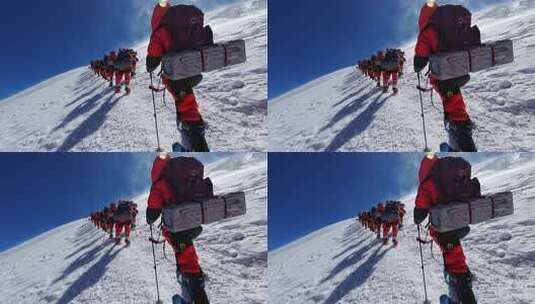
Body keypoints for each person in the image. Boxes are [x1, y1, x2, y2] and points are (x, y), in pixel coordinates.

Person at [146, 1, 211, 152]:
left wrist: (150, 66)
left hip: (176, 75)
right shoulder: (185, 24)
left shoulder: (160, 32)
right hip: (193, 70)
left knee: (184, 100)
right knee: (184, 97)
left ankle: (194, 128)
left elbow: (153, 56)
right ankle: (186, 122)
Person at [413, 153, 478, 304]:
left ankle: (460, 284)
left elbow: (420, 211)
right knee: (453, 250)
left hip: (445, 228)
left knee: (453, 259)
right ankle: (460, 277)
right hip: (461, 220)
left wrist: (417, 218)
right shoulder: (450, 173)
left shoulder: (427, 184)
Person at [146, 153, 210, 304]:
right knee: (185, 248)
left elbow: (153, 211)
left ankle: (194, 281)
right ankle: (189, 274)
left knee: (184, 251)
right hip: (194, 221)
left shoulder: (159, 183)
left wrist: (150, 218)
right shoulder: (183, 173)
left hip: (178, 226)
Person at [414, 0, 477, 152]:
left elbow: (420, 57)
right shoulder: (452, 24)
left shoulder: (428, 31)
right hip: (460, 71)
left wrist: (417, 67)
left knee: (453, 106)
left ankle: (462, 133)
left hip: (444, 77)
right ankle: (456, 131)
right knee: (453, 99)